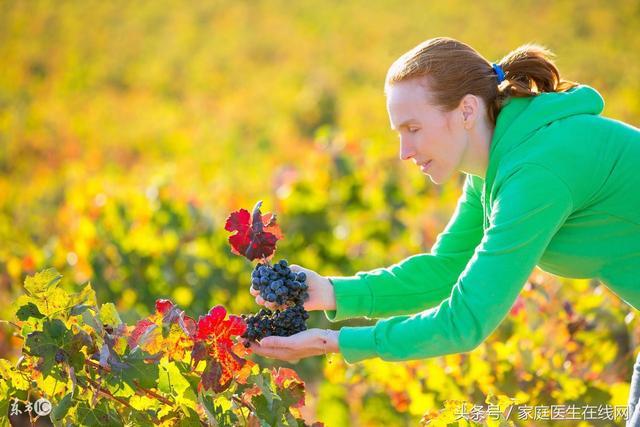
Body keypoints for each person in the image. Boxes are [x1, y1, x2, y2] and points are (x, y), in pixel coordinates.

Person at [248, 37, 640, 423]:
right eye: (398, 133)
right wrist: (331, 292)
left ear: (467, 111)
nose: (404, 151)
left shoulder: (535, 171)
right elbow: (446, 270)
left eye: (413, 128)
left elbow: (465, 322)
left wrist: (331, 342)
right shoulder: (494, 168)